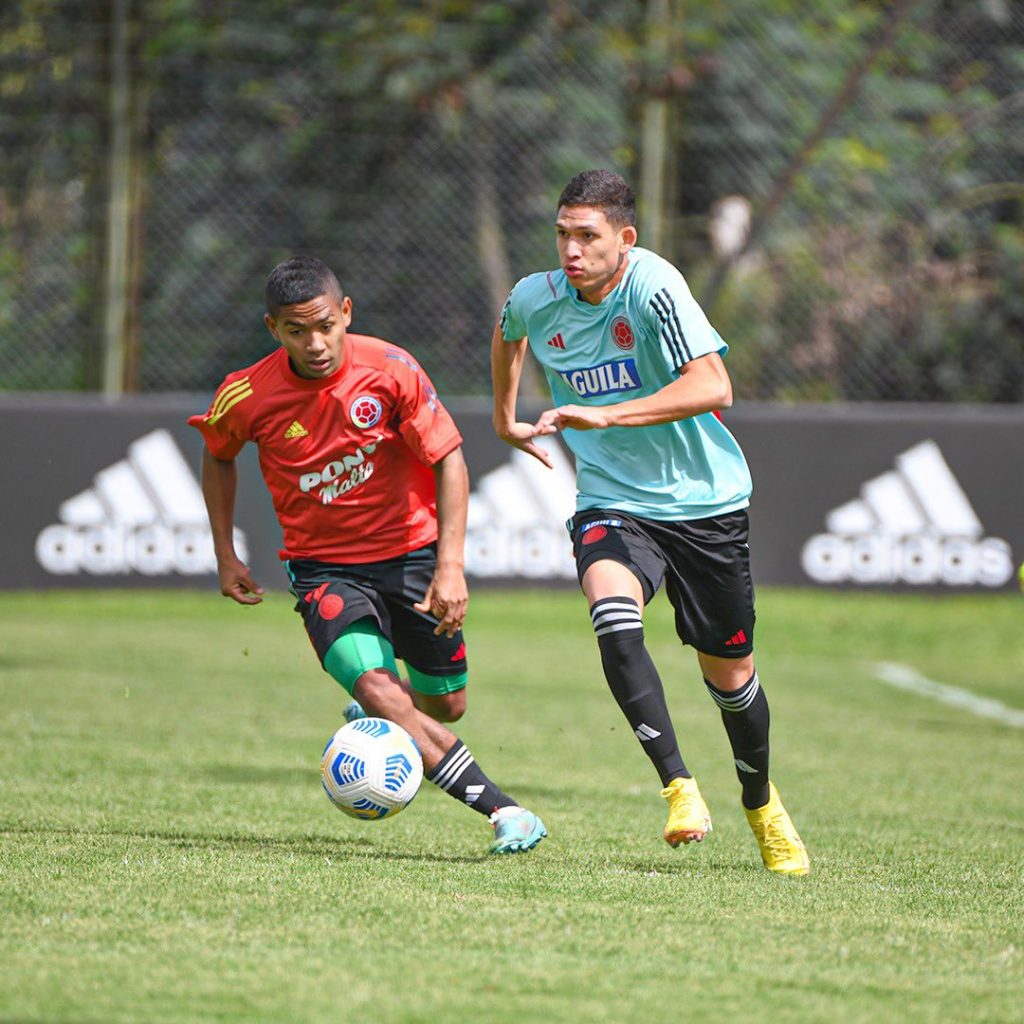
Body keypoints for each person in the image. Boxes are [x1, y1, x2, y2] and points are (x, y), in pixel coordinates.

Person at [491, 170, 808, 874]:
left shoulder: (653, 286)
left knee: (731, 677)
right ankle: (679, 788)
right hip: (611, 498)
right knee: (612, 612)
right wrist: (502, 415)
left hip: (705, 504)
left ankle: (760, 801)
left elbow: (713, 384)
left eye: (587, 237)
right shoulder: (537, 297)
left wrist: (605, 412)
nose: (571, 251)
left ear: (624, 240)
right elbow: (509, 331)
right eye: (562, 235)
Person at [189, 255, 546, 855]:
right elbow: (218, 452)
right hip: (322, 570)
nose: (316, 343)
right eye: (297, 331)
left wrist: (450, 565)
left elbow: (449, 458)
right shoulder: (247, 394)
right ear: (273, 329)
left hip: (411, 555)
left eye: (326, 325)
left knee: (444, 705)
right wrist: (225, 552)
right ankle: (504, 810)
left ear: (346, 312)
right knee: (385, 693)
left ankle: (381, 710)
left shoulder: (391, 369)